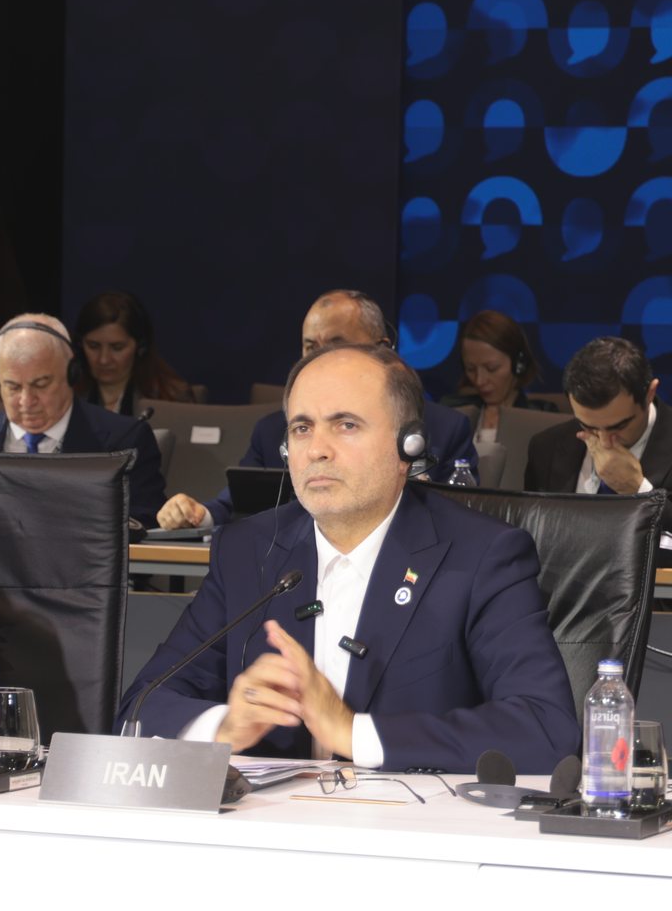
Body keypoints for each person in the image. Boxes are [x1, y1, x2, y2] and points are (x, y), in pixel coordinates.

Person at [119, 343, 577, 773]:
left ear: (409, 447)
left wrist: (352, 732)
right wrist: (225, 727)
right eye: (302, 428)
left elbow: (546, 729)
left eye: (346, 425)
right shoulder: (247, 550)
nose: (317, 449)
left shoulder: (482, 556)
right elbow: (140, 706)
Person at [155, 289, 477, 530]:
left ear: (381, 347)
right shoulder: (272, 431)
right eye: (310, 346)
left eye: (336, 344)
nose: (319, 359)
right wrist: (197, 514)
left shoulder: (443, 428)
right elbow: (237, 504)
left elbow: (461, 523)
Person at [0, 314, 167, 525]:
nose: (26, 401)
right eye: (13, 387)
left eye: (41, 385)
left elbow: (145, 523)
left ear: (72, 374)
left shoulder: (124, 442)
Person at [524, 336, 672, 498]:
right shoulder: (545, 448)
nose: (604, 442)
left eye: (619, 426)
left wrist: (638, 489)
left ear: (649, 394)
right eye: (589, 427)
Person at [445, 310, 560, 443]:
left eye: (491, 368)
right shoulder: (450, 411)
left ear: (519, 364)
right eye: (471, 369)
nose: (479, 381)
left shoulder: (543, 416)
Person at [71, 290, 193, 415]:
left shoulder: (172, 398)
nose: (104, 359)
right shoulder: (66, 395)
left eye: (117, 348)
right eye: (93, 346)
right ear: (80, 345)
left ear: (141, 347)